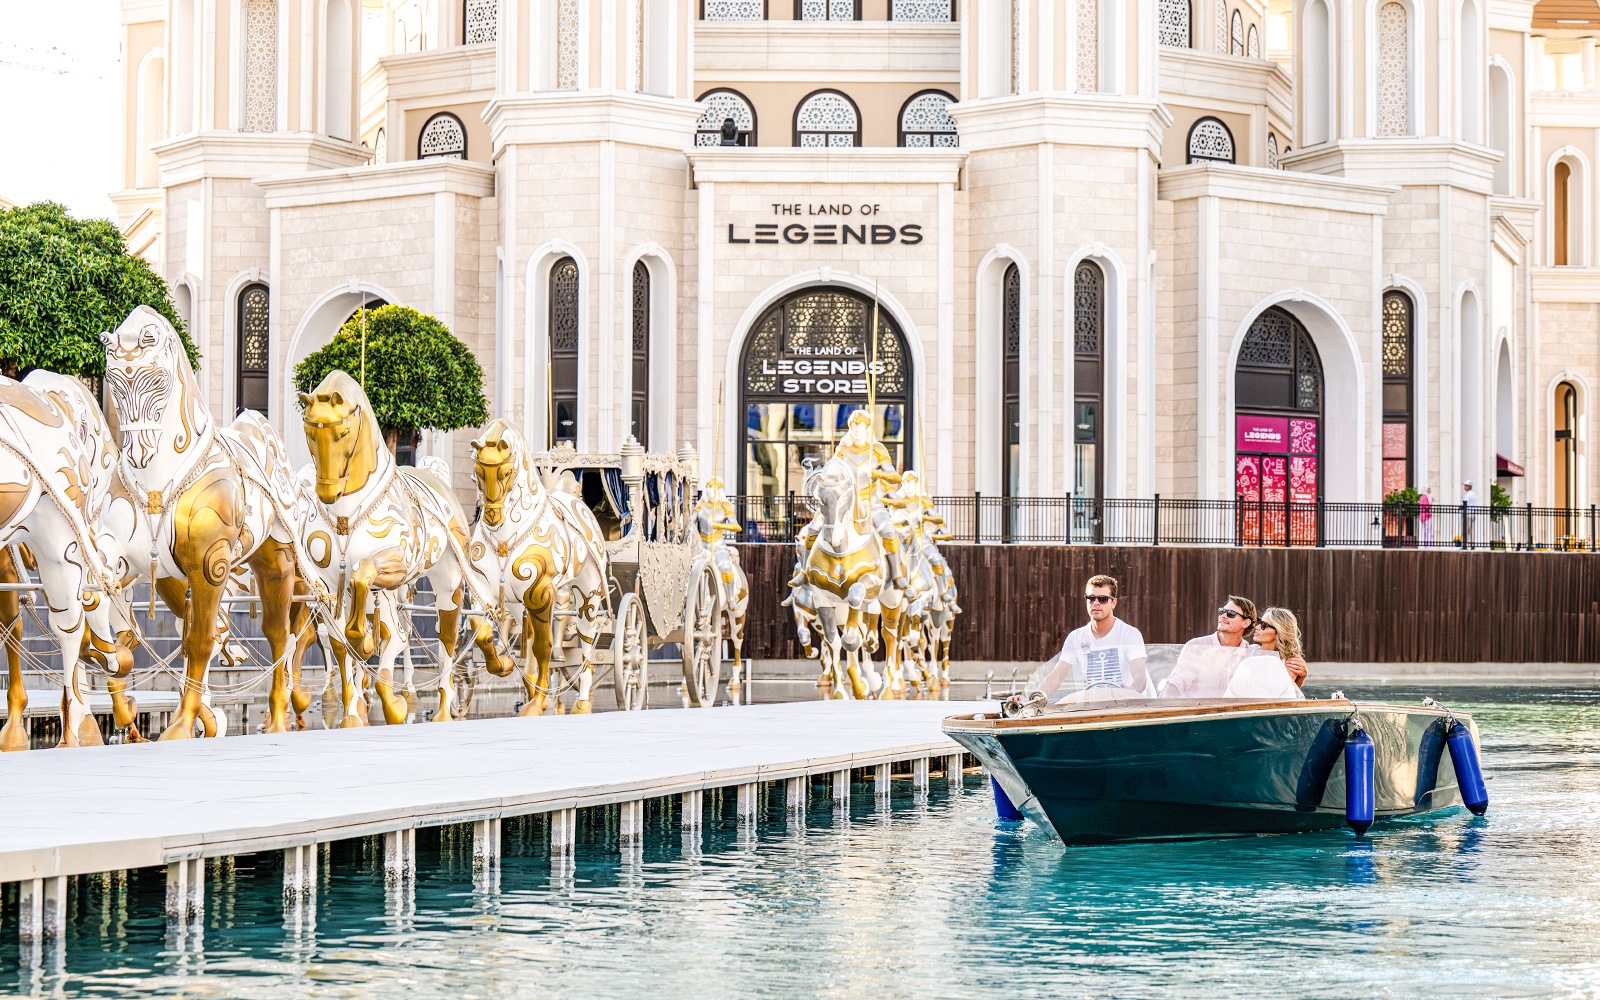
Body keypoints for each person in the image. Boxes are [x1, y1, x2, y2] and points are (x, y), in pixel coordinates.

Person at [1020, 575, 1150, 704]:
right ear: (1086, 601)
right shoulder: (1075, 637)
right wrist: (1031, 699)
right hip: (1092, 707)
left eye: (1103, 599)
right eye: (1091, 598)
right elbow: (1056, 676)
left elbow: (1140, 676)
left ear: (1113, 603)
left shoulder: (1129, 634)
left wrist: (1131, 692)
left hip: (1128, 706)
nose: (1096, 603)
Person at [1159, 596, 1257, 698]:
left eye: (1231, 614)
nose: (1223, 616)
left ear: (1246, 623)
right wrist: (1169, 707)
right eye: (1221, 611)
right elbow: (1176, 682)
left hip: (1236, 713)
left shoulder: (1252, 653)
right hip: (1199, 713)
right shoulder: (1196, 646)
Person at [1226, 606, 1308, 699]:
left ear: (1279, 632)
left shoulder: (1289, 661)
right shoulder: (1247, 653)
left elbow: (1283, 694)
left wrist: (1301, 678)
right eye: (1259, 622)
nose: (1257, 627)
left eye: (1264, 625)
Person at [1462, 479, 1478, 548]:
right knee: (1472, 530)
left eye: (1466, 486)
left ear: (1470, 486)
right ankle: (1472, 544)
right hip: (1473, 513)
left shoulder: (1467, 495)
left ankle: (1464, 544)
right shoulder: (1474, 494)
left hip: (1467, 513)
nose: (1465, 487)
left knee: (1465, 529)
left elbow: (1464, 504)